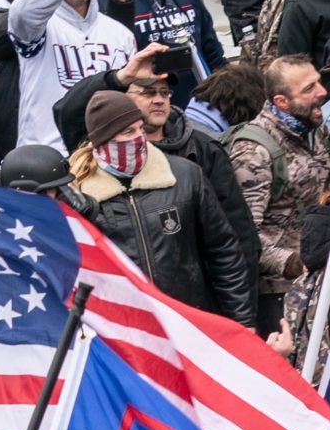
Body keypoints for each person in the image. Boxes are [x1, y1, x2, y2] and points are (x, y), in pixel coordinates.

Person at [51, 44, 258, 278]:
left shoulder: (201, 149)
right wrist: (121, 77)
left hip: (194, 295)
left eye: (164, 93)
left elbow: (238, 233)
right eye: (148, 93)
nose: (159, 100)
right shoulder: (103, 149)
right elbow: (66, 111)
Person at [71, 89, 254, 326]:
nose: (138, 138)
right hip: (124, 329)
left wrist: (242, 321)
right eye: (128, 132)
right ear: (104, 141)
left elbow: (223, 251)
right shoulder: (79, 196)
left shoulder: (184, 176)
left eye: (140, 128)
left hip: (187, 321)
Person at [226, 54, 330, 335]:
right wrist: (293, 263)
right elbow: (243, 237)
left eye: (318, 82)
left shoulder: (315, 128)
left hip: (324, 274)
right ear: (282, 102)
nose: (322, 92)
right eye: (309, 89)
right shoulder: (252, 152)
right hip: (280, 292)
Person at [8, 0, 136, 150]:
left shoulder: (119, 33)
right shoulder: (37, 27)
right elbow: (22, 13)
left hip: (105, 155)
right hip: (48, 156)